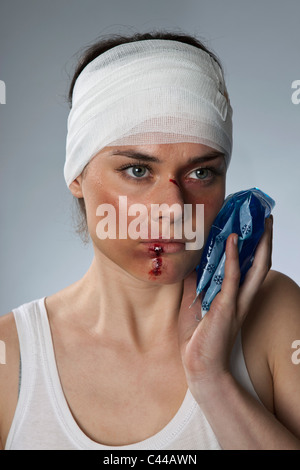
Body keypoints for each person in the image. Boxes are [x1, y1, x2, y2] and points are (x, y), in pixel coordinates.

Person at [0, 31, 300, 451]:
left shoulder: (274, 312)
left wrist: (212, 381)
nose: (173, 207)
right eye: (138, 170)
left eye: (201, 172)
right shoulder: (10, 358)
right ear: (77, 176)